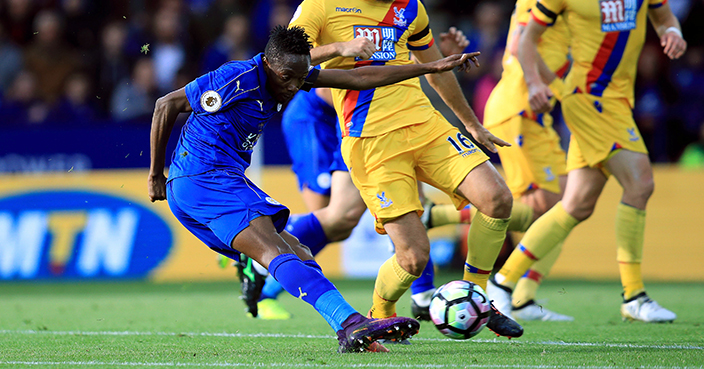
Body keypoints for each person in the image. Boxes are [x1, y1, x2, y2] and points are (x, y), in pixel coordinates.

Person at [148, 25, 478, 352]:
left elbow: (358, 80)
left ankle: (347, 327)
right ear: (267, 65)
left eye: (299, 77)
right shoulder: (237, 77)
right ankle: (349, 324)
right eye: (286, 78)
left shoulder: (292, 73)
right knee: (275, 251)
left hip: (219, 180)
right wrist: (155, 175)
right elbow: (167, 104)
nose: (293, 87)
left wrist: (430, 67)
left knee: (299, 251)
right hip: (203, 178)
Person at [290, 0, 524, 338]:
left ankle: (479, 297)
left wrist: (471, 124)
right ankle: (380, 312)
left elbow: (436, 66)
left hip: (426, 126)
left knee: (497, 198)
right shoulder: (321, 6)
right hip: (372, 140)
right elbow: (284, 59)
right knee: (413, 258)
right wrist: (341, 47)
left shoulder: (411, 8)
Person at [490, 0, 686, 323]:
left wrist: (673, 32)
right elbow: (524, 39)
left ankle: (503, 281)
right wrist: (540, 83)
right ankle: (633, 294)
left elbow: (664, 18)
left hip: (619, 99)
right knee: (640, 183)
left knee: (576, 205)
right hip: (588, 97)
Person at [482, 0, 573, 322]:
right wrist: (554, 86)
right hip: (518, 109)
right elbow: (519, 42)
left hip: (539, 114)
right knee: (542, 207)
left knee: (569, 206)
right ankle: (502, 284)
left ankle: (524, 297)